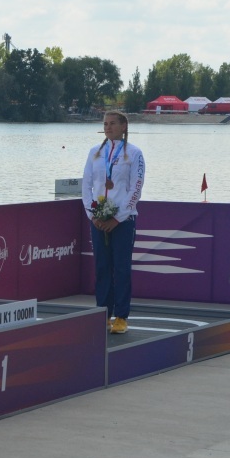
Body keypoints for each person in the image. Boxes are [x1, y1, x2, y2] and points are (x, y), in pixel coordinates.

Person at [81, 110, 145, 334]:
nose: (107, 127)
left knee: (121, 268)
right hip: (98, 219)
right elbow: (86, 185)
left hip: (123, 220)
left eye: (112, 123)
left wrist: (118, 218)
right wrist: (92, 214)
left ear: (124, 126)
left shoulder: (134, 153)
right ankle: (103, 314)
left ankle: (121, 317)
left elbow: (136, 187)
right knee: (102, 267)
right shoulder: (95, 152)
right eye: (105, 124)